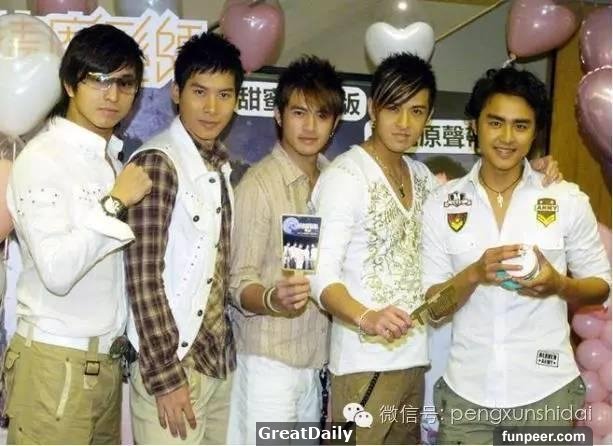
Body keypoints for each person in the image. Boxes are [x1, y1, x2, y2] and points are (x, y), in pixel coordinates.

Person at [310, 53, 563, 445]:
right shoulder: (344, 177)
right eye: (393, 108)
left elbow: (477, 208)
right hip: (364, 365)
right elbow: (319, 275)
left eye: (416, 111)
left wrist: (536, 171)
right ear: (373, 107)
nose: (404, 123)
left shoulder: (424, 178)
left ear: (428, 117)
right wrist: (367, 317)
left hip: (414, 362)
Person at [420, 66, 611, 445]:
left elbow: (601, 286)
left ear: (534, 132)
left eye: (520, 126)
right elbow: (434, 308)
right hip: (467, 393)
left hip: (547, 391)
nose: (507, 138)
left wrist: (558, 285)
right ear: (475, 126)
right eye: (495, 123)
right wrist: (474, 273)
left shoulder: (565, 198)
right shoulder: (441, 204)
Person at [3, 24, 150, 444]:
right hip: (55, 363)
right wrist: (114, 204)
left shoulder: (112, 161)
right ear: (70, 84)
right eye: (98, 80)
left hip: (105, 364)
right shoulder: (43, 158)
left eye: (124, 83)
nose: (112, 94)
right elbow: (58, 272)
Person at [124, 32, 244, 444]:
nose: (212, 108)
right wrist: (165, 375)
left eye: (224, 95)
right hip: (174, 369)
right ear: (177, 93)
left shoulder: (220, 167)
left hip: (216, 366)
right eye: (199, 92)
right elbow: (143, 277)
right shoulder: (159, 163)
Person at [228, 55, 343, 444]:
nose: (310, 126)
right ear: (278, 115)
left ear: (335, 123)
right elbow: (237, 282)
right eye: (299, 112)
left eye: (321, 115)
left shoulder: (337, 184)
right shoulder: (259, 184)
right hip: (267, 364)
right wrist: (272, 298)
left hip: (315, 364)